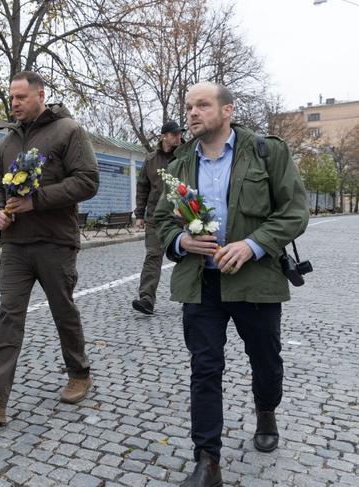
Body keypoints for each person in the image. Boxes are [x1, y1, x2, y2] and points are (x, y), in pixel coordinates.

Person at [154, 82, 309, 487]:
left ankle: (266, 409)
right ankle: (208, 461)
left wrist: (254, 244)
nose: (191, 113)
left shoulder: (266, 151)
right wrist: (182, 240)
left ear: (227, 110)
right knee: (204, 369)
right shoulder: (179, 165)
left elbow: (294, 212)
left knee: (265, 359)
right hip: (200, 284)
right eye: (188, 106)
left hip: (255, 282)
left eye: (202, 105)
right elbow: (161, 220)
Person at [0, 71, 99, 425]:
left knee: (63, 310)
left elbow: (87, 181)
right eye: (12, 98)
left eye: (21, 97)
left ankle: (79, 372)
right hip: (16, 245)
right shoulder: (7, 142)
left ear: (40, 95)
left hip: (55, 241)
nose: (15, 104)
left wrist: (36, 201)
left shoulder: (69, 131)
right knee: (8, 316)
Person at [132, 120, 183, 315]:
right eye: (174, 134)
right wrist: (139, 214)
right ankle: (146, 299)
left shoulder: (185, 156)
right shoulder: (151, 159)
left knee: (185, 258)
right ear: (164, 136)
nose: (178, 137)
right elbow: (142, 186)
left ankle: (189, 299)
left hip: (181, 217)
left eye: (180, 134)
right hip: (155, 217)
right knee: (153, 256)